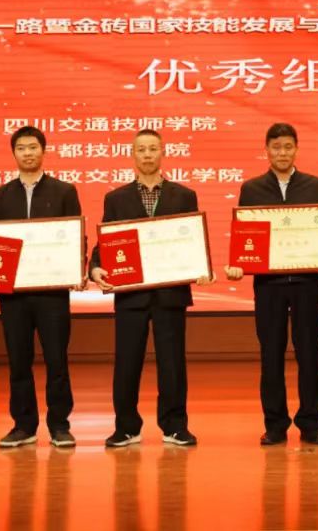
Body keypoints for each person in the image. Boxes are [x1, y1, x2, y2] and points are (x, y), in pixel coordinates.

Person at [225, 123, 318, 446]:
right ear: (266, 150)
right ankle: (275, 425)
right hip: (269, 285)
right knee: (271, 354)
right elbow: (246, 237)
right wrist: (238, 264)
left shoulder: (314, 185)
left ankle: (310, 423)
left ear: (296, 149)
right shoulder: (252, 189)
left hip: (307, 283)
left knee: (309, 353)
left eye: (288, 147)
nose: (282, 153)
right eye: (276, 147)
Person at [0, 126, 82, 449]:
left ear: (43, 150)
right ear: (13, 153)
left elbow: (75, 235)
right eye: (21, 148)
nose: (28, 153)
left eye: (33, 147)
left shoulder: (64, 191)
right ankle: (23, 425)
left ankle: (59, 425)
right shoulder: (0, 195)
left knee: (57, 361)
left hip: (52, 293)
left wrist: (77, 268)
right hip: (13, 295)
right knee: (19, 361)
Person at [90, 129, 208, 448]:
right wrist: (95, 267)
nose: (147, 154)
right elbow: (106, 243)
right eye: (141, 149)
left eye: (152, 149)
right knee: (127, 363)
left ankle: (175, 426)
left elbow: (192, 239)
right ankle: (126, 427)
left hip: (171, 293)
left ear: (162, 152)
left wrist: (201, 266)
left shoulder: (184, 195)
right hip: (131, 294)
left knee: (173, 363)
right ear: (133, 155)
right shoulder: (116, 198)